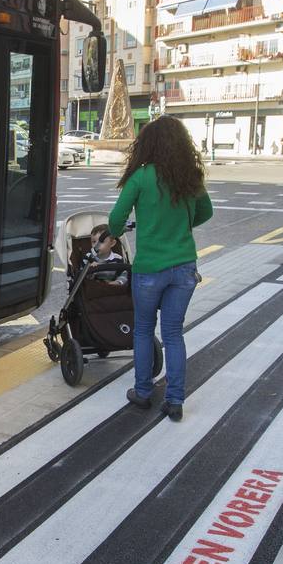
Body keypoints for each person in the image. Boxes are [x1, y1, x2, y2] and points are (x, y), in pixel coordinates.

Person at [97, 116, 213, 423]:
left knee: (144, 330)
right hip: (185, 266)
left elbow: (115, 221)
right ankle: (175, 400)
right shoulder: (190, 176)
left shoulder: (141, 177)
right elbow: (206, 212)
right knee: (174, 333)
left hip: (150, 268)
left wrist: (140, 227)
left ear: (147, 143)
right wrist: (179, 227)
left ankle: (143, 392)